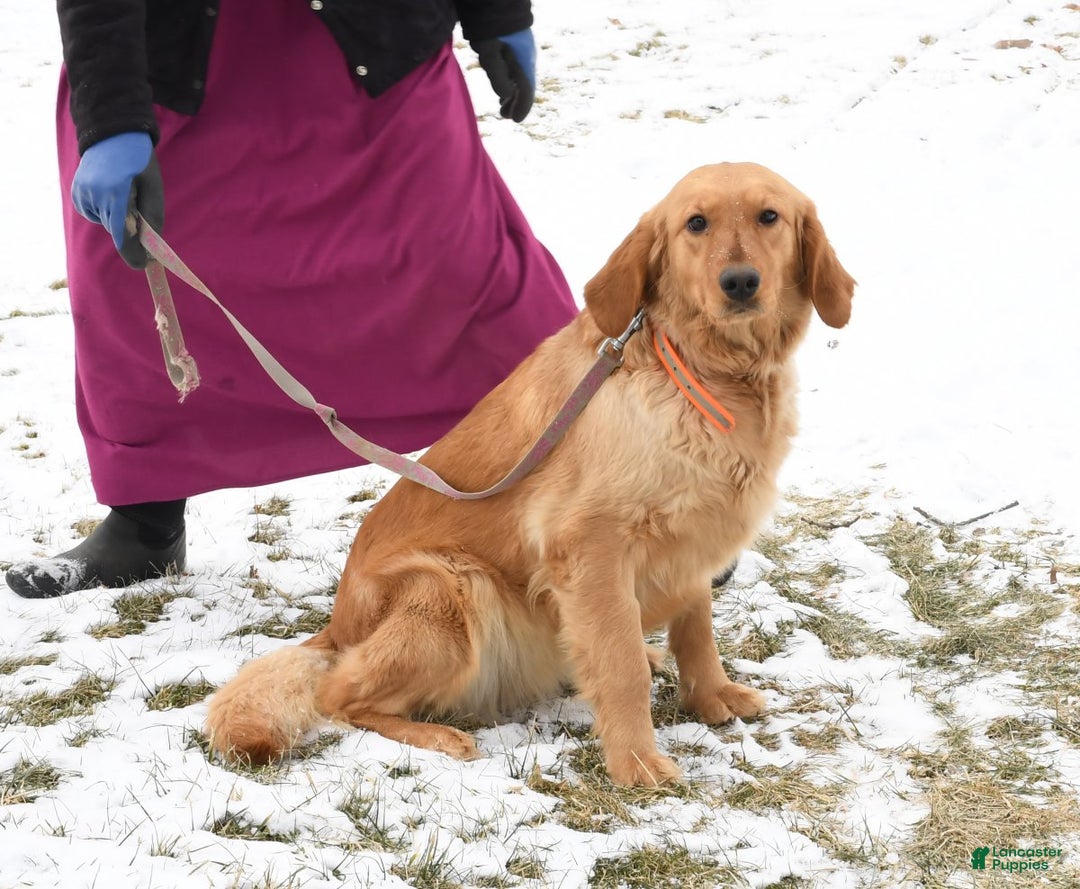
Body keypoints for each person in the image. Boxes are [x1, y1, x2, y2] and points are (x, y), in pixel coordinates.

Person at [4, 0, 577, 599]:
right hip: (180, 54)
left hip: (376, 44)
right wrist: (112, 120)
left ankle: (566, 468)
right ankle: (144, 524)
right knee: (131, 282)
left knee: (459, 262)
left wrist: (499, 15)